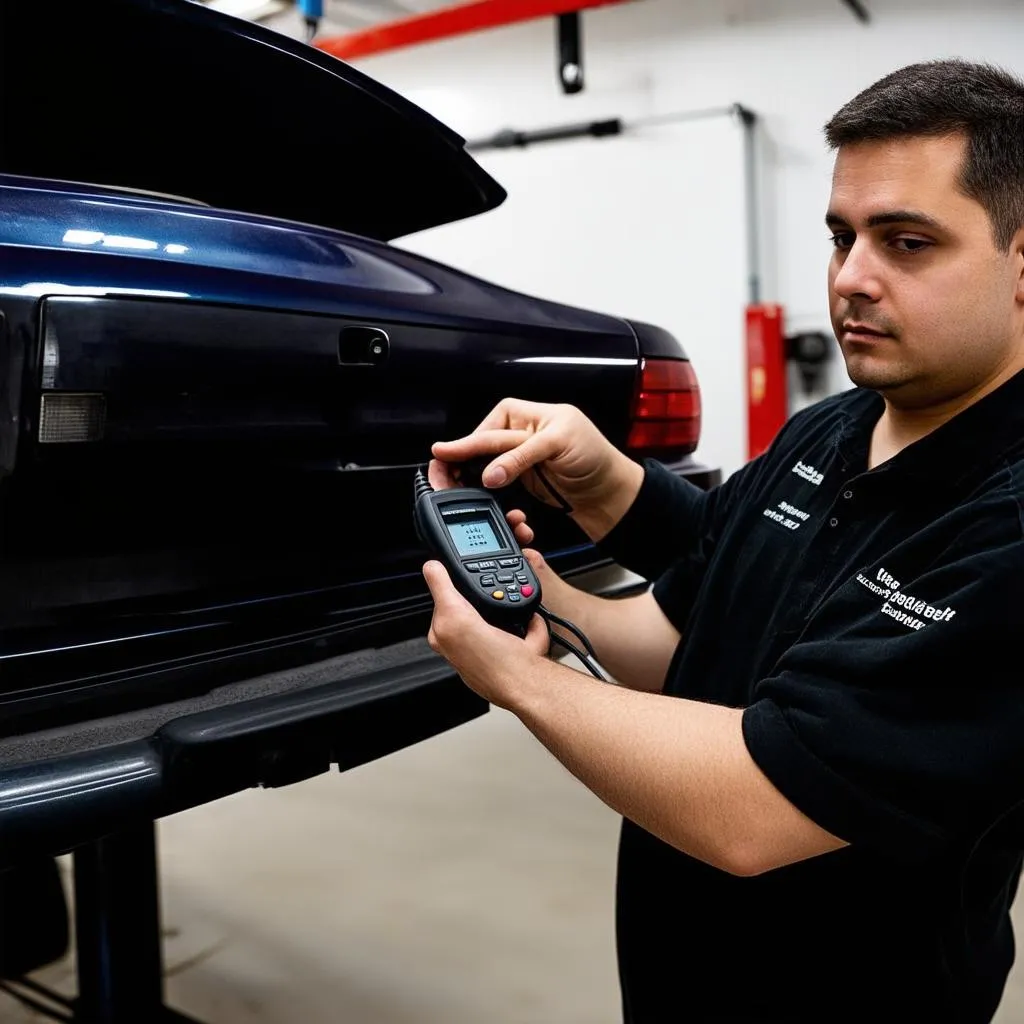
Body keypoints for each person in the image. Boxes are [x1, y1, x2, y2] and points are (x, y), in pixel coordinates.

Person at [421, 57, 1024, 1023]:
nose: (852, 279)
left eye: (907, 243)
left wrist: (519, 678)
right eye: (841, 237)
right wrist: (539, 594)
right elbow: (681, 644)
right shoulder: (830, 427)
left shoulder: (1006, 525)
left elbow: (754, 808)